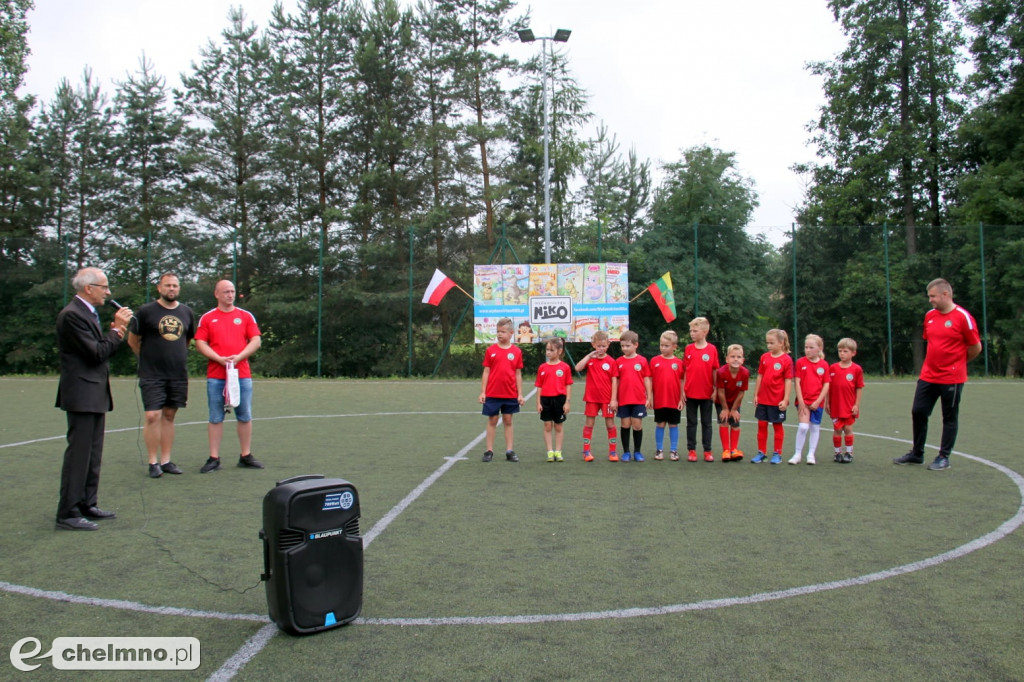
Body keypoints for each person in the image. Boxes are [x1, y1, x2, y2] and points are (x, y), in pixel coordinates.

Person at [54, 267, 133, 530]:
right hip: (82, 393)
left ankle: (87, 503)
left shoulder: (87, 313)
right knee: (79, 454)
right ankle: (68, 512)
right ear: (89, 288)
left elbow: (100, 349)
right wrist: (118, 329)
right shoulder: (72, 315)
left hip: (93, 392)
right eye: (104, 287)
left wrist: (113, 332)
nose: (108, 292)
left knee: (93, 452)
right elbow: (96, 353)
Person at [893, 278, 982, 471]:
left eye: (932, 296)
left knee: (949, 417)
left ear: (945, 294)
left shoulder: (962, 317)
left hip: (952, 377)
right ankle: (917, 454)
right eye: (929, 296)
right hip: (928, 375)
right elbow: (933, 343)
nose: (930, 300)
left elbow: (976, 347)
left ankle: (943, 457)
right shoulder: (930, 316)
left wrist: (958, 363)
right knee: (918, 411)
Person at [127, 272, 195, 478]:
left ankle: (166, 460)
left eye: (175, 285)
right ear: (159, 288)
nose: (171, 289)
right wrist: (147, 360)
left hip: (177, 373)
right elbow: (133, 340)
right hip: (151, 373)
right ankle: (152, 462)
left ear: (179, 288)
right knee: (152, 415)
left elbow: (186, 340)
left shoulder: (187, 312)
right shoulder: (146, 312)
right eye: (167, 285)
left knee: (169, 415)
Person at [194, 280, 263, 473]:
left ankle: (245, 455)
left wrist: (238, 357)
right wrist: (219, 359)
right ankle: (214, 458)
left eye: (232, 291)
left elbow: (256, 340)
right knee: (216, 417)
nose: (230, 295)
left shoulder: (245, 316)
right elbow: (200, 343)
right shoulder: (208, 318)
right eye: (225, 292)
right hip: (216, 376)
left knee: (245, 415)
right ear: (217, 294)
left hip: (242, 375)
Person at [479, 317, 524, 462]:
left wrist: (520, 394)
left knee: (508, 420)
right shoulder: (490, 350)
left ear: (511, 333)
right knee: (492, 420)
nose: (499, 334)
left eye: (503, 332)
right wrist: (483, 392)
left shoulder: (516, 352)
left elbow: (518, 374)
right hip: (492, 393)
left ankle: (509, 451)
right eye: (498, 331)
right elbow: (486, 371)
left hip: (510, 393)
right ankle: (489, 450)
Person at [575, 330, 619, 462]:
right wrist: (589, 356)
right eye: (598, 346)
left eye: (603, 346)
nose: (601, 348)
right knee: (589, 423)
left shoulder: (611, 361)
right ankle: (586, 452)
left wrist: (613, 399)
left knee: (610, 424)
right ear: (593, 345)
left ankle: (612, 452)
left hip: (607, 399)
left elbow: (615, 380)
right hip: (591, 398)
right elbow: (577, 368)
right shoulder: (590, 360)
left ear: (608, 345)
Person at [751, 329, 794, 464]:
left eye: (772, 343)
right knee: (762, 425)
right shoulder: (764, 357)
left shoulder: (786, 359)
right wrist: (756, 394)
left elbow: (788, 380)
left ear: (781, 343)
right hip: (763, 398)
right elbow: (760, 375)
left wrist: (786, 399)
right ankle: (761, 453)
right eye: (767, 343)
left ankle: (777, 454)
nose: (769, 346)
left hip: (777, 400)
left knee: (777, 426)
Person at [682, 317, 720, 462]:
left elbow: (715, 370)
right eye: (691, 330)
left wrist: (715, 389)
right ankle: (691, 450)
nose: (692, 333)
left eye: (695, 331)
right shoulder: (688, 349)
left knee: (707, 423)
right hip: (690, 392)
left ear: (704, 332)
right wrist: (683, 390)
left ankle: (707, 451)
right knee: (691, 423)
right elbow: (685, 370)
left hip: (707, 393)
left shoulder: (712, 349)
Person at [789, 334, 830, 465]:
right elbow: (797, 381)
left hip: (817, 402)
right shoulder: (801, 362)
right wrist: (800, 401)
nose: (807, 350)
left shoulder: (824, 365)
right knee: (803, 427)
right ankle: (797, 454)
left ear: (819, 348)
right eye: (806, 347)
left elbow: (826, 384)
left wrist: (818, 401)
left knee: (814, 427)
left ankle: (811, 454)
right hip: (803, 401)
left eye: (811, 347)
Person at [615, 330, 652, 462]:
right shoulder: (618, 361)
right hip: (623, 399)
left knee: (637, 424)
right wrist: (614, 399)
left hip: (638, 399)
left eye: (627, 346)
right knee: (625, 424)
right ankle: (626, 452)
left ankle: (637, 451)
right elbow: (616, 381)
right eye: (622, 346)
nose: (624, 348)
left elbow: (647, 379)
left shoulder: (642, 360)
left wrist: (649, 397)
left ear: (636, 345)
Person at [535, 337, 573, 462]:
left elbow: (568, 385)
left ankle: (558, 451)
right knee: (547, 425)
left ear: (559, 351)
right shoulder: (542, 367)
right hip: (545, 400)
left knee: (558, 426)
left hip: (559, 400)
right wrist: (538, 402)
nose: (548, 352)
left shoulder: (565, 367)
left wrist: (567, 402)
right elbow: (539, 386)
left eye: (551, 350)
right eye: (547, 350)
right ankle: (550, 452)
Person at [649, 330, 684, 461]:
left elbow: (682, 381)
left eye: (666, 345)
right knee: (660, 424)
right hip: (659, 400)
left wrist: (681, 398)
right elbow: (650, 380)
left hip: (674, 400)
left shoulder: (679, 363)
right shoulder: (654, 361)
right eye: (661, 345)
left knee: (673, 425)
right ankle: (659, 450)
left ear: (674, 347)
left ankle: (673, 451)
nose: (663, 348)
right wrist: (650, 397)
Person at [828, 338, 864, 463]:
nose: (842, 353)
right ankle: (837, 453)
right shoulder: (832, 368)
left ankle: (849, 453)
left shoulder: (856, 369)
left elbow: (859, 388)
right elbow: (828, 387)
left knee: (848, 429)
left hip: (849, 406)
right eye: (840, 351)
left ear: (853, 353)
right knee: (837, 429)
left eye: (845, 351)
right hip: (836, 405)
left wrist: (856, 405)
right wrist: (827, 403)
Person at [716, 344, 749, 461]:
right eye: (733, 356)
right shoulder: (721, 372)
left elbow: (741, 393)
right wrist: (725, 409)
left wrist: (734, 409)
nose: (736, 359)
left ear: (743, 360)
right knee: (724, 421)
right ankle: (726, 450)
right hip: (721, 401)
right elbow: (720, 392)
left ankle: (734, 449)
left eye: (739, 357)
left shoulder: (745, 373)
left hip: (735, 402)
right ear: (727, 359)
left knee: (735, 423)